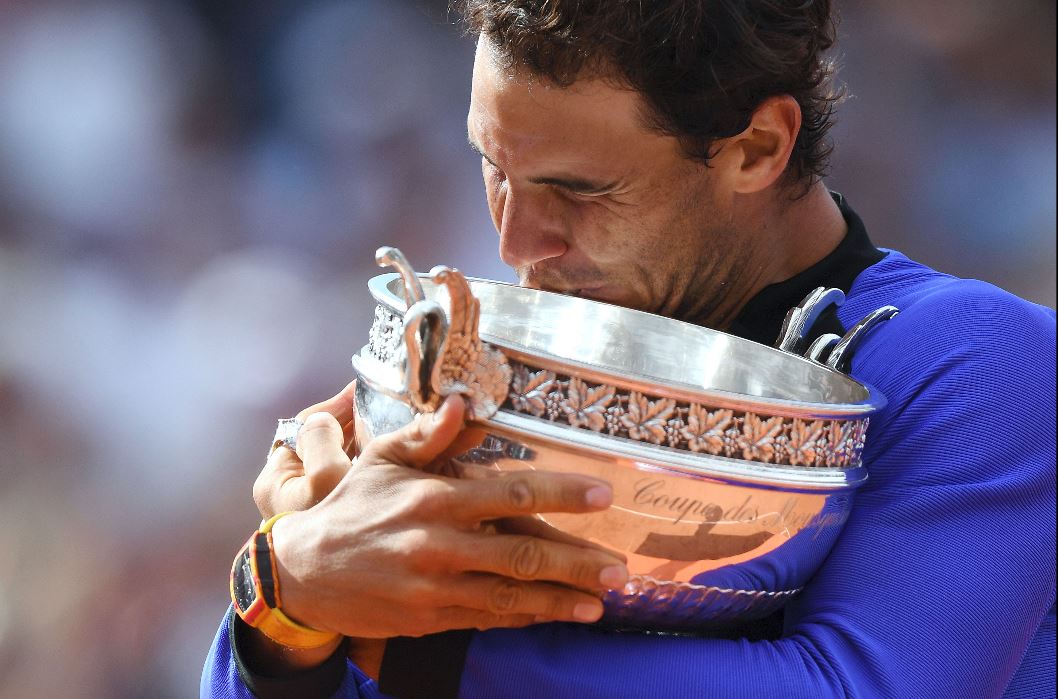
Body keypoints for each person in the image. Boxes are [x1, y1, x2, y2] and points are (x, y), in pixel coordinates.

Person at [202, 1, 1056, 697]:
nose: (515, 242)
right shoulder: (480, 364)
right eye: (494, 167)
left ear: (757, 148)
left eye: (576, 190)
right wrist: (288, 604)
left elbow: (858, 688)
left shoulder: (977, 361)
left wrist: (404, 642)